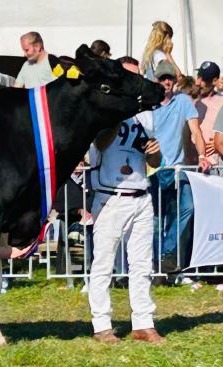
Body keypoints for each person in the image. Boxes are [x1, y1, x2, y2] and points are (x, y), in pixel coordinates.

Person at [88, 57, 164, 344]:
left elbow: (154, 160)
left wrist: (154, 151)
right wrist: (119, 112)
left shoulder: (146, 115)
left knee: (142, 263)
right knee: (103, 263)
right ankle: (101, 324)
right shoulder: (103, 109)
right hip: (111, 196)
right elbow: (101, 144)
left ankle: (143, 322)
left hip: (140, 192)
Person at [149, 61, 210, 270]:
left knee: (187, 208)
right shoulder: (148, 103)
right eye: (163, 78)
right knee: (156, 219)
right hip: (153, 169)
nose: (167, 82)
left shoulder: (183, 101)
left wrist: (202, 155)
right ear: (156, 80)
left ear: (175, 81)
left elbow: (196, 131)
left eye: (170, 78)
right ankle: (157, 265)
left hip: (177, 169)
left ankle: (167, 254)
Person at [194, 61, 223, 167]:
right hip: (190, 165)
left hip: (214, 165)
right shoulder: (188, 100)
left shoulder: (221, 102)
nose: (198, 82)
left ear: (215, 80)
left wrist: (218, 144)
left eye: (203, 80)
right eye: (198, 76)